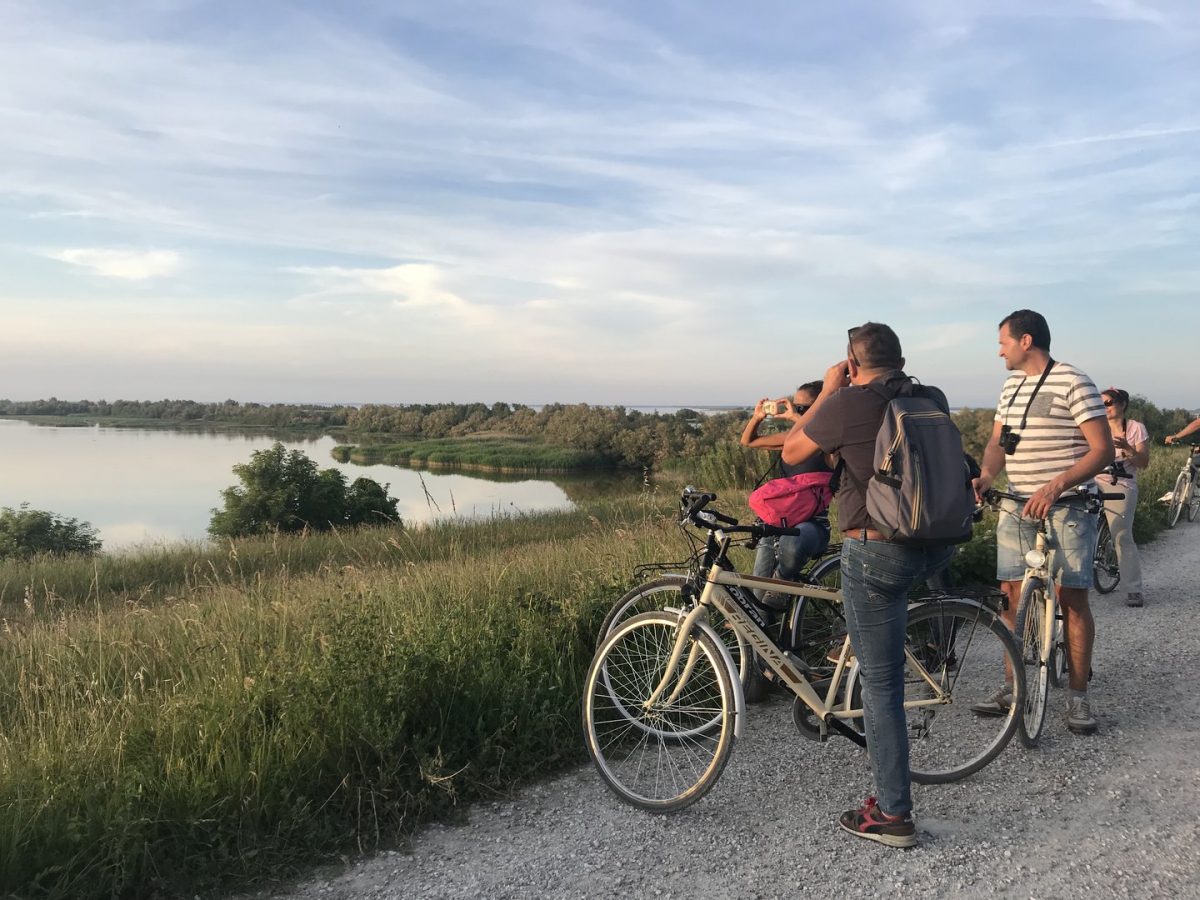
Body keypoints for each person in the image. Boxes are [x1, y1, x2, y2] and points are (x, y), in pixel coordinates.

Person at [781, 323, 955, 849]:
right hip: (936, 542)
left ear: (851, 364)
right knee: (885, 629)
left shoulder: (845, 402)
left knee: (882, 686)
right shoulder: (932, 396)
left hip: (876, 548)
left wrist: (832, 389)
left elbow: (791, 451)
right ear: (901, 360)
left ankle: (892, 814)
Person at [970, 310, 1113, 735]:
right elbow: (999, 440)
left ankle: (1078, 698)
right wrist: (986, 475)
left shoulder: (1074, 380)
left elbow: (1102, 450)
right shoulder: (1011, 385)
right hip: (1016, 506)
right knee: (1011, 598)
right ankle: (1014, 689)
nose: (999, 350)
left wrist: (1056, 485)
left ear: (1026, 340)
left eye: (1003, 342)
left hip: (1066, 506)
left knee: (1072, 600)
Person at [739, 382, 833, 594]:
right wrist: (757, 417)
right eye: (795, 406)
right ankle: (764, 622)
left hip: (811, 525)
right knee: (759, 586)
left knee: (791, 548)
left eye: (803, 409)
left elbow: (822, 438)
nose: (796, 411)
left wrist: (795, 419)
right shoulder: (792, 439)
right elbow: (749, 441)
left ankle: (780, 592)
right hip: (777, 520)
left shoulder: (831, 442)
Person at [1097, 388, 1149, 607]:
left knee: (1122, 535)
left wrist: (1127, 448)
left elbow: (1143, 463)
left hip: (1121, 482)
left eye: (1108, 403)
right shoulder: (1096, 426)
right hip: (1095, 480)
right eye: (1101, 404)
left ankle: (1133, 588)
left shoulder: (1135, 428)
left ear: (1122, 405)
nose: (1105, 407)